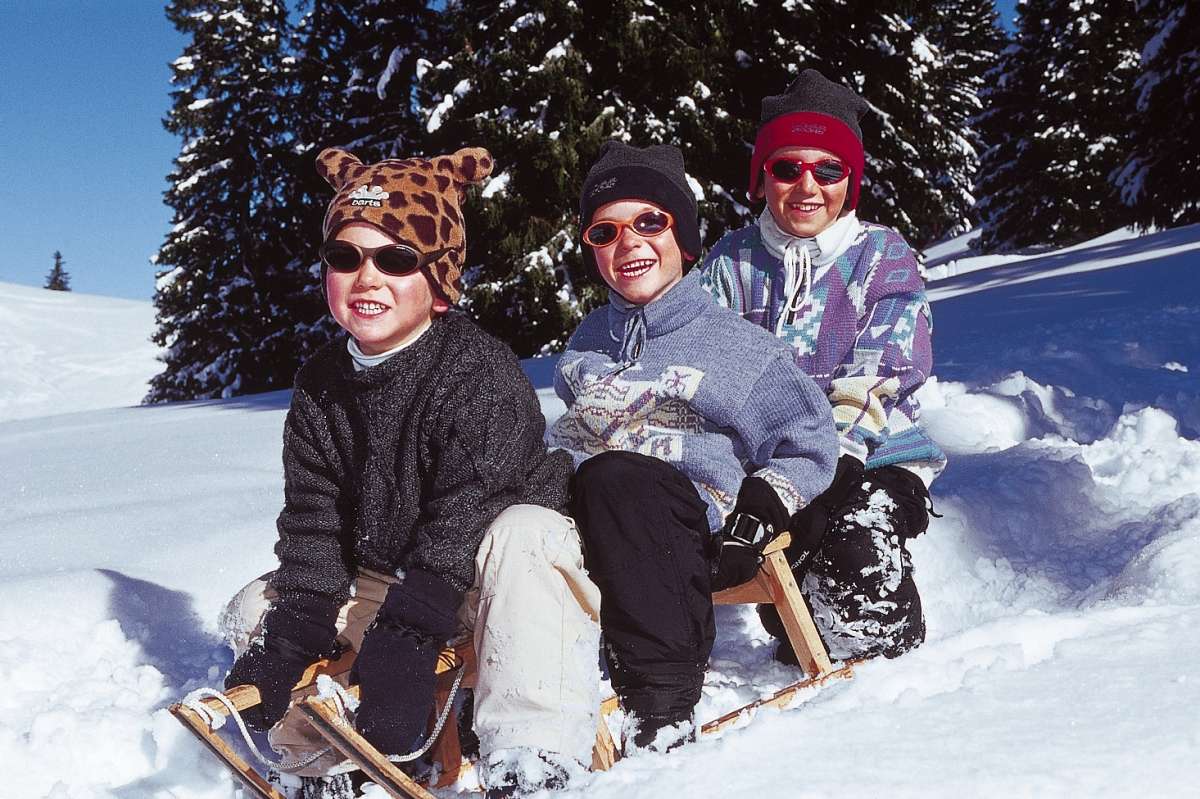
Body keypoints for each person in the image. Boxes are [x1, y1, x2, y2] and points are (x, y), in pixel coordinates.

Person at [220, 146, 601, 799]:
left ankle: (533, 751)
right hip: (394, 576)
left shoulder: (476, 367)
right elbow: (316, 520)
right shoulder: (320, 383)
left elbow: (472, 507)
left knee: (527, 529)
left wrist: (409, 628)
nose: (367, 278)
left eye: (395, 259)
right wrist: (300, 622)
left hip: (497, 578)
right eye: (346, 258)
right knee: (255, 608)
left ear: (441, 278)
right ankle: (329, 763)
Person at [547, 141, 838, 753]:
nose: (629, 244)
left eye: (650, 222)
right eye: (606, 231)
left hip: (686, 522)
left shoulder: (735, 346)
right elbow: (569, 437)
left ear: (684, 239)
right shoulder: (585, 344)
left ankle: (659, 699)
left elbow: (809, 440)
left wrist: (760, 510)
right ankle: (504, 701)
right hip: (594, 519)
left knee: (617, 478)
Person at [700, 69, 947, 665]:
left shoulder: (883, 258)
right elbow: (704, 370)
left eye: (828, 170)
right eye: (788, 168)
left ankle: (888, 665)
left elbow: (880, 376)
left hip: (870, 455)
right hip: (761, 469)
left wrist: (818, 475)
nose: (807, 186)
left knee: (854, 555)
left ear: (850, 180)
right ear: (762, 178)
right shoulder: (729, 265)